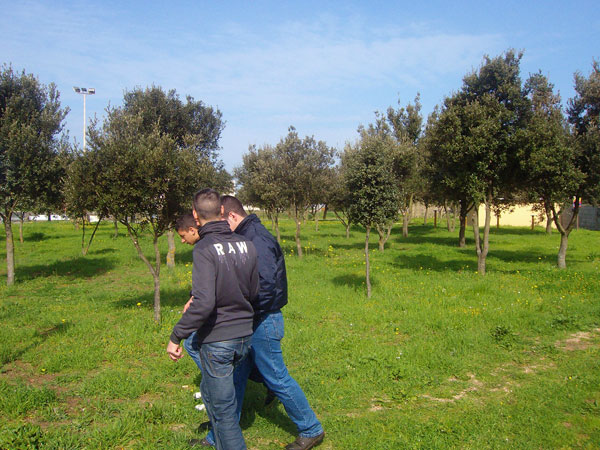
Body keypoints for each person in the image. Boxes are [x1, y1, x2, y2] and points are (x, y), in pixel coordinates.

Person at [220, 195, 325, 450]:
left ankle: (311, 429)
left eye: (221, 222)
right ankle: (220, 434)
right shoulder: (245, 236)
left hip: (263, 321)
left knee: (277, 377)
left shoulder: (257, 238)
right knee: (236, 378)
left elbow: (266, 287)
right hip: (251, 319)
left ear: (231, 215)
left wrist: (243, 312)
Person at [167, 189, 259, 450]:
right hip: (244, 337)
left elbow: (204, 303)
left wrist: (176, 336)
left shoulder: (204, 249)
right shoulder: (247, 244)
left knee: (224, 414)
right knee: (211, 393)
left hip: (219, 339)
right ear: (221, 211)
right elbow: (254, 292)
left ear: (195, 216)